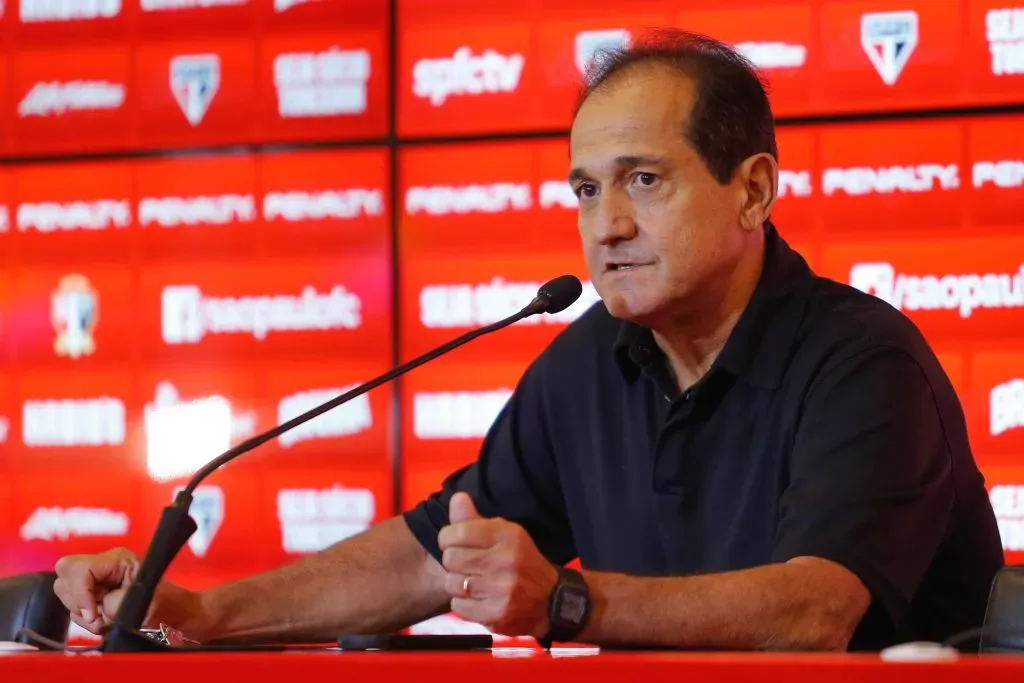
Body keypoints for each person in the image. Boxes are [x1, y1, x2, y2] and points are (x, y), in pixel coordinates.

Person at [52, 29, 1004, 652]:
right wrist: (201, 611)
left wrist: (570, 602)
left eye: (642, 180)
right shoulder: (588, 361)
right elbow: (436, 554)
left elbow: (815, 612)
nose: (606, 225)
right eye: (587, 189)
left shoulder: (862, 363)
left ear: (752, 189)